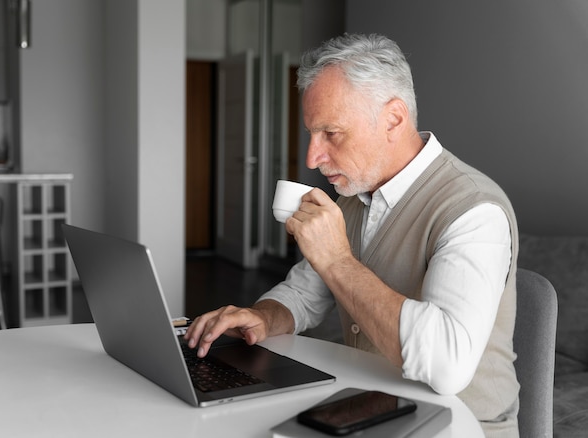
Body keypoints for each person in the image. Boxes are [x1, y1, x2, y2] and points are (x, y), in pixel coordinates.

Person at [185, 33, 519, 437]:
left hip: (457, 425)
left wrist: (337, 261)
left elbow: (447, 367)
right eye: (312, 134)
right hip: (370, 407)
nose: (312, 157)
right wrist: (261, 316)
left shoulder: (473, 210)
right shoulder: (354, 196)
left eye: (331, 133)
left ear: (393, 119)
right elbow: (306, 292)